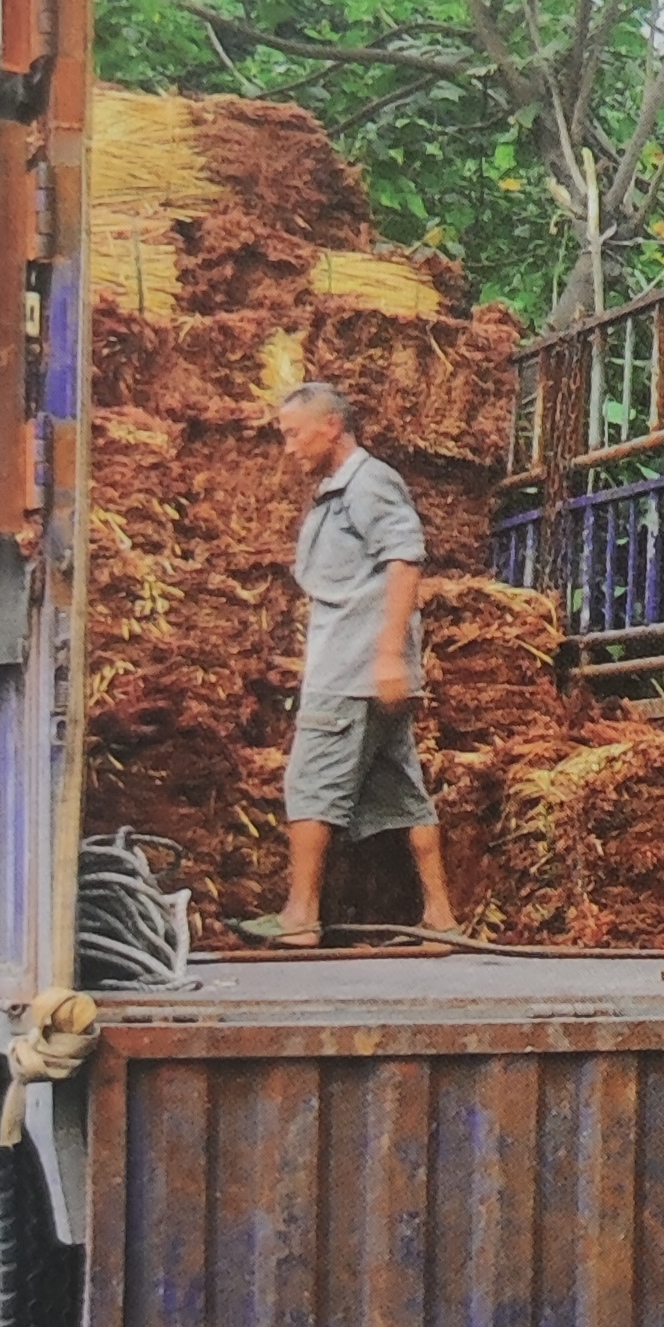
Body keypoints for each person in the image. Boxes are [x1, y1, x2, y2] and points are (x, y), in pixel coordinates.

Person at [245, 381, 458, 945]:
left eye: (294, 433)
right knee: (400, 791)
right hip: (363, 671)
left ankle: (300, 917)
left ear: (331, 427)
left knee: (310, 784)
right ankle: (439, 916)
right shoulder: (339, 491)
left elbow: (406, 559)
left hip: (354, 671)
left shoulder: (369, 483)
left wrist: (388, 655)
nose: (288, 446)